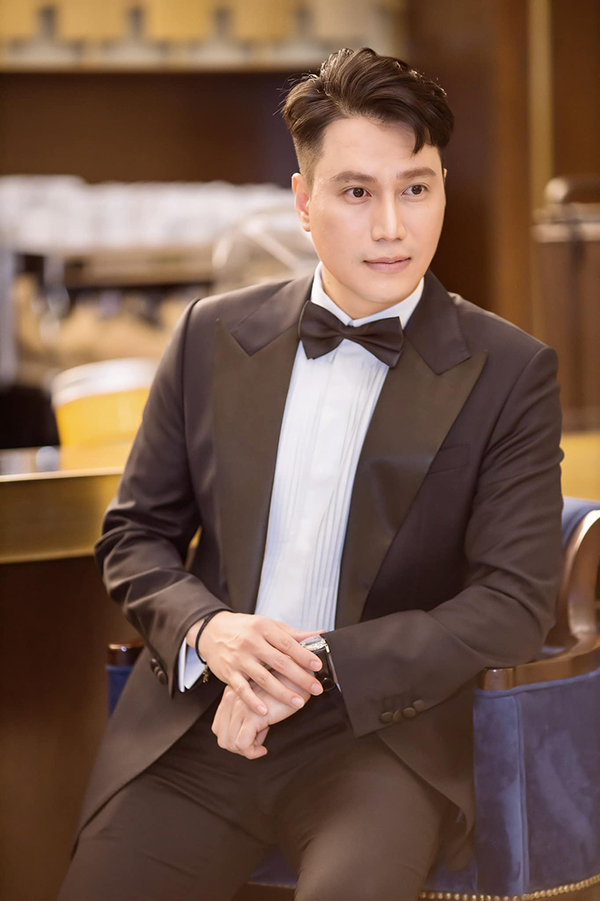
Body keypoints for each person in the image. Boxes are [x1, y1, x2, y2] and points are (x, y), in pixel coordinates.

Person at [59, 47, 563, 901]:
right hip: (201, 728)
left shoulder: (511, 370)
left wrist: (315, 664)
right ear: (303, 202)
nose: (393, 226)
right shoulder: (211, 334)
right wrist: (211, 630)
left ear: (444, 188)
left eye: (416, 188)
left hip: (381, 744)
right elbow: (135, 536)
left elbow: (513, 604)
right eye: (357, 192)